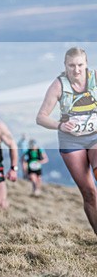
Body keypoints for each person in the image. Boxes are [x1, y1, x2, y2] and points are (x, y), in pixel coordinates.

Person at [36, 47, 97, 234]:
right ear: (65, 65)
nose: (76, 69)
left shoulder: (95, 79)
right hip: (71, 142)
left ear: (86, 64)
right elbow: (41, 117)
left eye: (80, 65)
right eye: (72, 65)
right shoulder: (59, 85)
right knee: (89, 193)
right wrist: (59, 125)